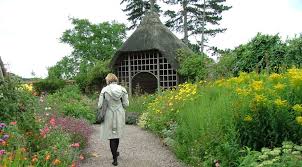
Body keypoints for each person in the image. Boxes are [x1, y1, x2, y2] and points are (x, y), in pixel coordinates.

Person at [98, 73, 129, 166]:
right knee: (117, 134)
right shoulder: (123, 89)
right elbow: (126, 104)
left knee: (111, 136)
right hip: (119, 113)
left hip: (108, 113)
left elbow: (99, 105)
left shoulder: (104, 90)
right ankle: (116, 153)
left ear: (108, 80)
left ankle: (115, 158)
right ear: (115, 79)